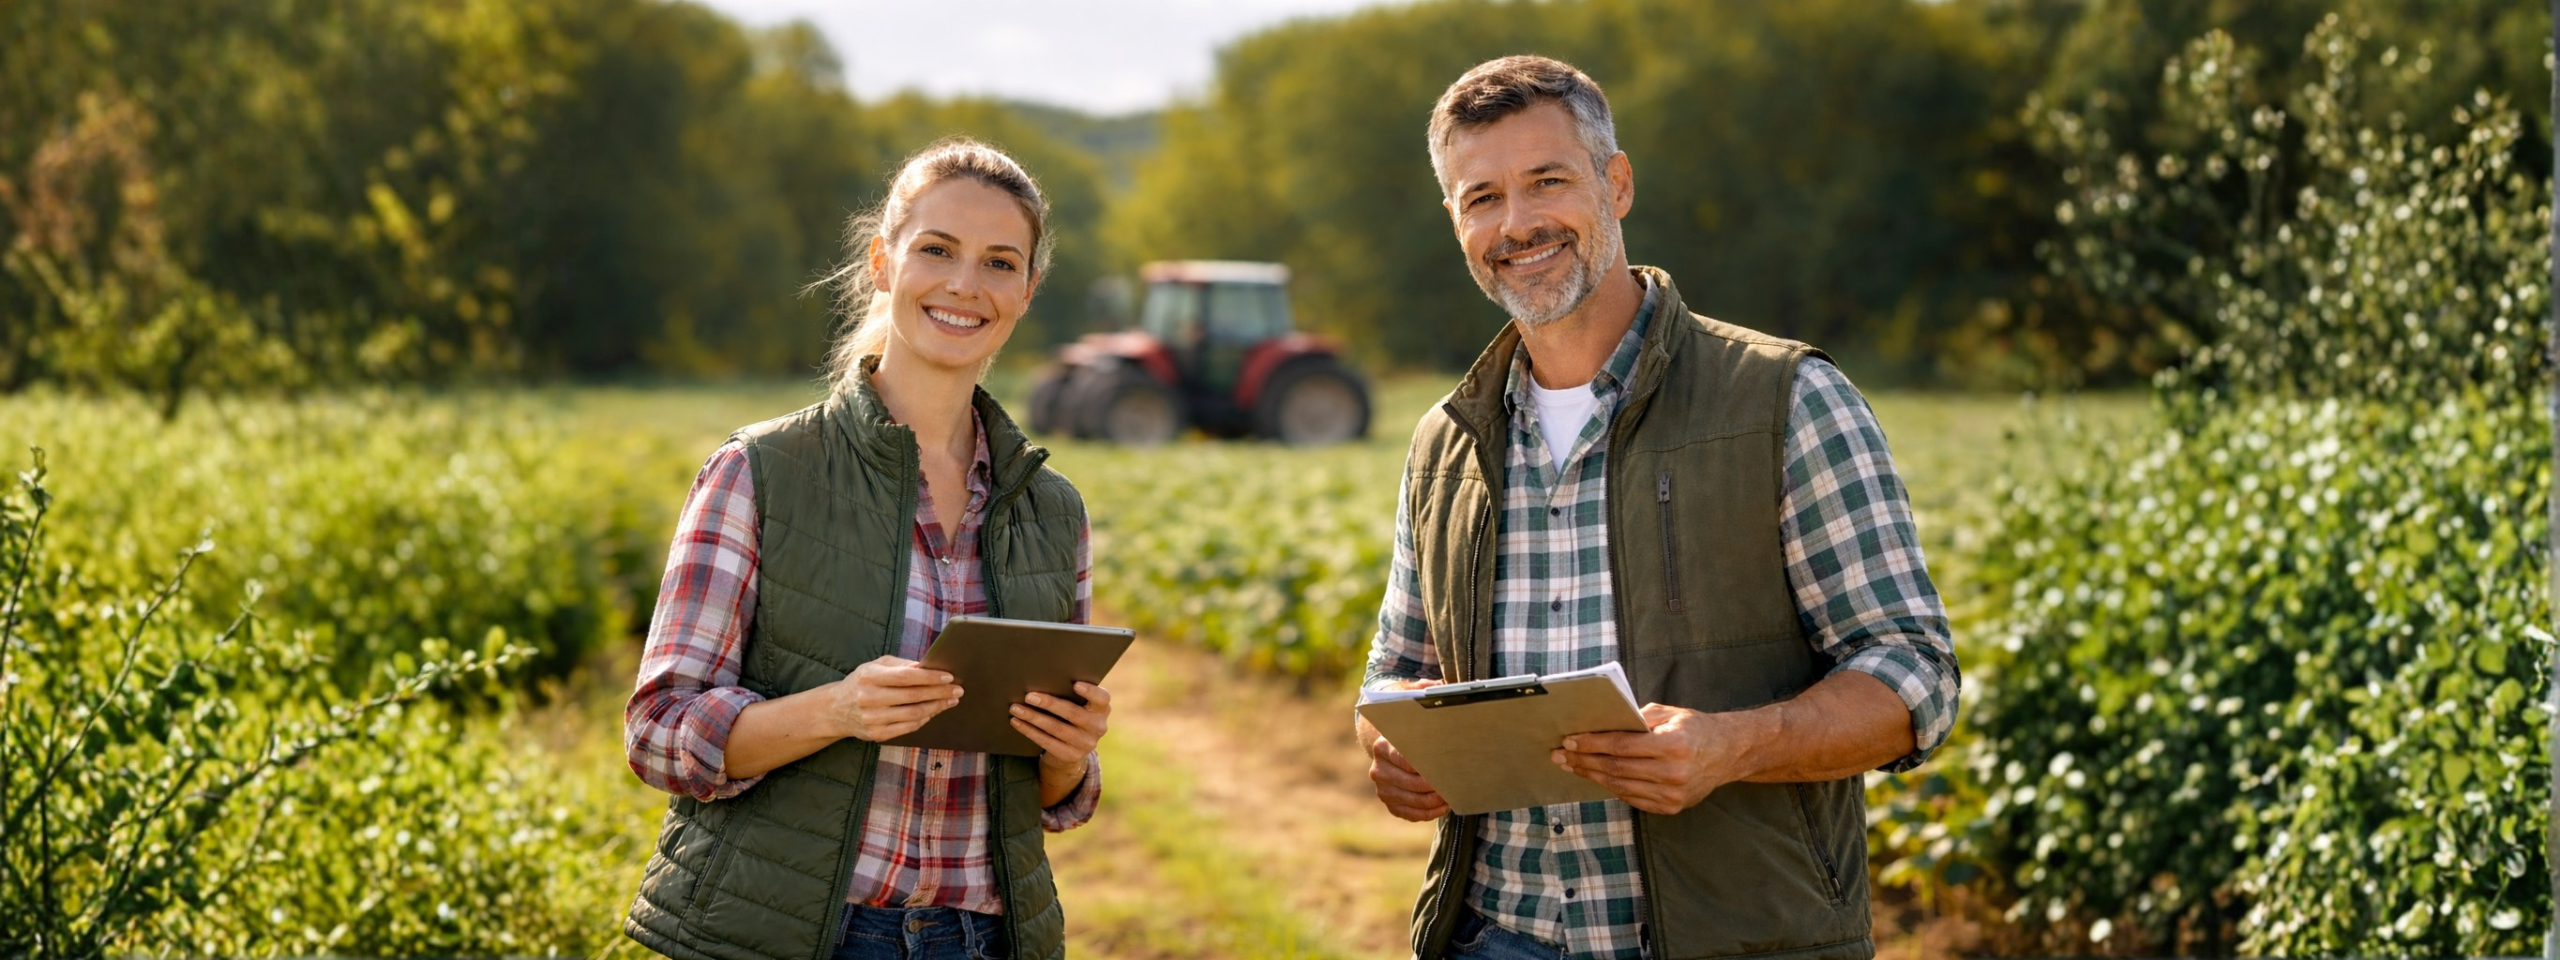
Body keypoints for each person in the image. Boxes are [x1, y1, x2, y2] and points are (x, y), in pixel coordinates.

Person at [1356, 56, 1961, 960]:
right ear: (1455, 220)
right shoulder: (1446, 444)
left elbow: (1917, 678)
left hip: (1741, 939)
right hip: (1495, 938)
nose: (1517, 224)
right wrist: (1394, 745)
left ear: (1618, 183)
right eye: (1481, 197)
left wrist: (1736, 746)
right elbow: (1392, 676)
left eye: (1547, 182)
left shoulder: (1787, 399)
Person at [623, 138, 1106, 960]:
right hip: (788, 933)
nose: (964, 285)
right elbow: (659, 732)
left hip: (983, 938)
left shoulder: (1051, 510)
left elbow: (1054, 796)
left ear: (1027, 291)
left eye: (998, 262)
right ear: (884, 264)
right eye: (936, 250)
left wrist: (1068, 750)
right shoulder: (761, 472)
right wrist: (837, 711)